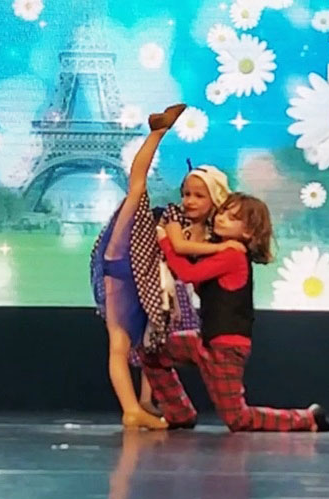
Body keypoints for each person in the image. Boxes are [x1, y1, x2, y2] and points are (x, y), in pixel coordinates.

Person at [90, 105, 232, 429]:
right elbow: (178, 247)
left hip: (150, 285)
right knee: (137, 190)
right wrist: (221, 248)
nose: (189, 200)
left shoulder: (213, 232)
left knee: (150, 344)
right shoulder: (174, 216)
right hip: (130, 263)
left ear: (215, 200)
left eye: (198, 196)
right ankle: (157, 132)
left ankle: (143, 403)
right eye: (186, 194)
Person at [145, 193, 329, 432]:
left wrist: (165, 242)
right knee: (152, 353)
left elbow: (188, 274)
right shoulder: (222, 252)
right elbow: (201, 283)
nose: (221, 218)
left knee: (236, 418)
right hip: (206, 340)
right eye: (222, 212)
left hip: (226, 348)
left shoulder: (233, 255)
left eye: (232, 218)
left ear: (248, 233)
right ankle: (179, 413)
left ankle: (307, 418)